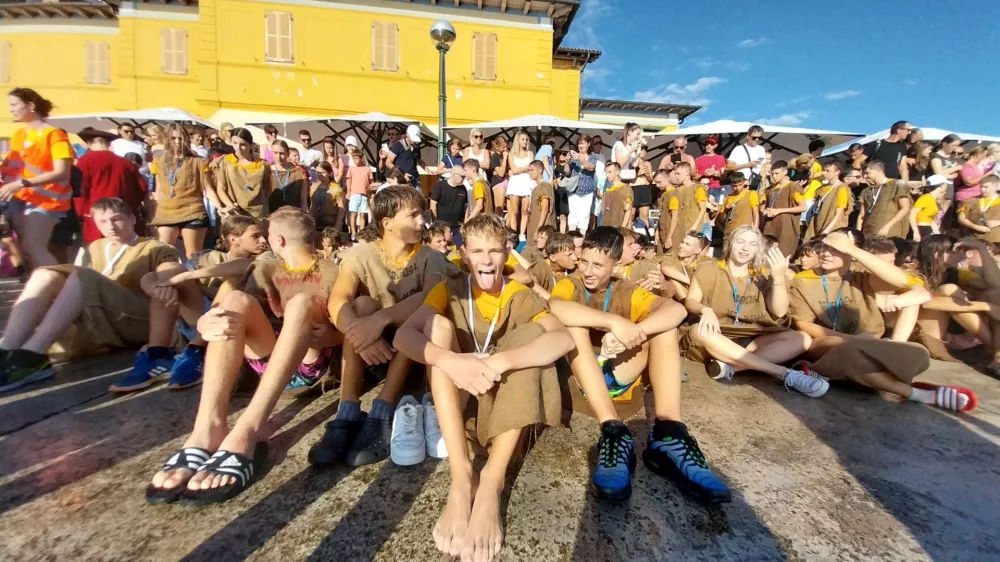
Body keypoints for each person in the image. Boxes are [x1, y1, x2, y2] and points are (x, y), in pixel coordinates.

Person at [393, 213, 574, 562]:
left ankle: (492, 480)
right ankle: (461, 479)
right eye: (477, 251)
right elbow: (404, 336)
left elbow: (562, 338)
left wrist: (501, 361)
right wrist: (451, 361)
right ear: (464, 253)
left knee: (530, 336)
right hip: (458, 396)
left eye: (494, 251)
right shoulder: (449, 288)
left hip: (505, 401)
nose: (486, 259)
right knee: (438, 326)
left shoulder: (518, 294)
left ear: (507, 253)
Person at [144, 207, 342, 505]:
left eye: (267, 236)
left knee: (300, 304)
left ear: (278, 240)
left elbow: (347, 328)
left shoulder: (332, 270)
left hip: (311, 363)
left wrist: (330, 336)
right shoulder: (266, 267)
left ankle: (249, 429)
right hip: (270, 359)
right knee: (235, 299)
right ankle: (208, 428)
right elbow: (234, 277)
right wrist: (204, 320)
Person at [547, 226, 731, 504]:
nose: (587, 271)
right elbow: (555, 306)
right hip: (581, 382)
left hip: (617, 374)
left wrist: (634, 333)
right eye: (584, 261)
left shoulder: (625, 289)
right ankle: (613, 430)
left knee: (664, 326)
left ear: (617, 263)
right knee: (572, 324)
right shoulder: (570, 284)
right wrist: (614, 322)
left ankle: (669, 433)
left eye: (598, 265)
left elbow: (677, 310)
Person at [310, 187, 456, 468]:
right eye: (412, 215)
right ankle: (348, 409)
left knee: (419, 316)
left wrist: (380, 321)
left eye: (421, 215)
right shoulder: (361, 254)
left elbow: (430, 294)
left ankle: (383, 407)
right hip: (372, 353)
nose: (421, 222)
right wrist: (361, 333)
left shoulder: (429, 257)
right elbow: (338, 300)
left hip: (413, 352)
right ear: (387, 222)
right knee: (361, 305)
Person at [0, 198, 181, 391]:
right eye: (102, 222)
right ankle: (7, 349)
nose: (111, 226)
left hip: (138, 320)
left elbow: (169, 279)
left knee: (82, 275)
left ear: (132, 219)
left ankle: (32, 356)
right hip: (99, 318)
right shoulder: (93, 248)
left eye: (117, 219)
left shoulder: (156, 248)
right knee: (45, 274)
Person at [790, 231, 977, 412]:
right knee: (848, 352)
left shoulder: (860, 277)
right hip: (830, 343)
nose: (825, 254)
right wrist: (857, 341)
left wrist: (854, 250)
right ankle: (917, 394)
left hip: (870, 347)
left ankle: (845, 375)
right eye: (824, 248)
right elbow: (803, 325)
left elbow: (900, 281)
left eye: (836, 249)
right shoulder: (803, 281)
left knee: (919, 353)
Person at [110, 215, 269, 393]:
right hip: (199, 317)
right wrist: (156, 288)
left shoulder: (265, 259)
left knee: (231, 284)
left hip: (232, 323)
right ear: (234, 239)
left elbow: (245, 266)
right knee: (169, 268)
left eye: (264, 236)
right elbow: (152, 276)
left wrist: (187, 277)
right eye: (256, 236)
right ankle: (158, 354)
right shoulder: (209, 257)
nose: (263, 240)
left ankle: (196, 351)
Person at [682, 225, 826, 396]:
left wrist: (778, 277)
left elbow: (779, 312)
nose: (745, 248)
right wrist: (706, 310)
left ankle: (732, 368)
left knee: (801, 338)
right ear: (730, 244)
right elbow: (691, 301)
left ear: (758, 249)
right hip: (716, 334)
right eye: (740, 242)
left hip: (752, 338)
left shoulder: (762, 275)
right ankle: (783, 373)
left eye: (752, 244)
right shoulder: (709, 268)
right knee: (700, 330)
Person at [0, 88, 74, 269]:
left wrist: (21, 183)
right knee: (29, 248)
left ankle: (61, 289)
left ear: (31, 106)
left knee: (34, 246)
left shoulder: (55, 135)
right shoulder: (19, 134)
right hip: (18, 199)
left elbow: (62, 172)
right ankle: (43, 290)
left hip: (46, 201)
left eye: (14, 104)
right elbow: (12, 167)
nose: (10, 109)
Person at [74, 127, 149, 244]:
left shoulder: (84, 161)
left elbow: (79, 190)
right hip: (124, 217)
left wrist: (81, 213)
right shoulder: (126, 163)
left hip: (97, 217)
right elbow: (142, 190)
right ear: (109, 144)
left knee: (100, 252)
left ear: (89, 144)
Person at [147, 124, 210, 260]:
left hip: (192, 210)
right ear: (167, 139)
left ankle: (197, 280)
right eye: (173, 138)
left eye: (180, 138)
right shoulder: (158, 160)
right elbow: (157, 190)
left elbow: (208, 189)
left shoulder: (198, 161)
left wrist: (222, 207)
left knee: (193, 257)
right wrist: (153, 215)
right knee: (163, 254)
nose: (177, 142)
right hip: (166, 212)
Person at [859, 236, 929, 343]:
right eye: (882, 263)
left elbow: (923, 294)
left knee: (911, 302)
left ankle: (896, 344)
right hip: (858, 316)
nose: (889, 267)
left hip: (885, 316)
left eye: (891, 262)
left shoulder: (897, 274)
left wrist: (891, 301)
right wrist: (876, 298)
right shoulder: (857, 273)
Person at [213, 127, 272, 221]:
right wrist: (230, 206)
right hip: (234, 214)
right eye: (235, 143)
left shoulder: (262, 165)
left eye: (243, 144)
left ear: (251, 145)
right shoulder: (225, 162)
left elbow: (268, 190)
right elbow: (221, 189)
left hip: (258, 215)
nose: (238, 148)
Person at [656, 164, 707, 256]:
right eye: (675, 174)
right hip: (681, 228)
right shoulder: (678, 190)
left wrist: (695, 226)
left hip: (693, 227)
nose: (676, 176)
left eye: (678, 174)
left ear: (687, 173)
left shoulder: (697, 188)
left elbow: (703, 209)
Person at [761, 160, 805, 256]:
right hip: (770, 227)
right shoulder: (769, 190)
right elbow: (764, 206)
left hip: (786, 227)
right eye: (772, 174)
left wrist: (778, 211)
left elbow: (803, 207)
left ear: (785, 172)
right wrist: (765, 211)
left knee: (783, 255)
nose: (774, 176)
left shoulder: (793, 187)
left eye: (777, 173)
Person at [858, 161, 912, 238]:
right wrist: (857, 233)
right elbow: (862, 215)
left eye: (867, 173)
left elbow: (905, 208)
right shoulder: (866, 191)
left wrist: (887, 226)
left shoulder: (897, 184)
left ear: (878, 171)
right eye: (863, 174)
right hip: (868, 234)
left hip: (890, 232)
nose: (865, 176)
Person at [804, 161, 852, 240]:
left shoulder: (841, 188)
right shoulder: (822, 188)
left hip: (830, 228)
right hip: (816, 225)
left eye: (828, 171)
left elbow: (838, 214)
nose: (824, 173)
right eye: (824, 170)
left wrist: (825, 232)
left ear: (837, 172)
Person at [659, 231, 712, 301]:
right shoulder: (673, 256)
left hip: (697, 300)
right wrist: (692, 282)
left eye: (687, 244)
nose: (681, 246)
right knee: (672, 279)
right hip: (676, 301)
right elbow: (665, 268)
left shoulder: (701, 262)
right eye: (682, 242)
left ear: (697, 250)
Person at [505, 131, 536, 239]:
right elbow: (513, 169)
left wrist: (519, 170)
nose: (525, 141)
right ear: (518, 140)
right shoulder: (511, 154)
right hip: (515, 183)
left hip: (527, 183)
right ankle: (514, 233)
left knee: (525, 210)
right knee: (514, 211)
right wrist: (525, 168)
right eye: (523, 139)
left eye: (526, 139)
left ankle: (522, 234)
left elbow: (532, 168)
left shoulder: (530, 153)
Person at [567, 135, 600, 234]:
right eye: (579, 143)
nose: (580, 146)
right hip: (574, 189)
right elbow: (567, 172)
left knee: (585, 215)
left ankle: (581, 237)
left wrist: (580, 159)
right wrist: (567, 163)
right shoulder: (573, 157)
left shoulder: (594, 156)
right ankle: (572, 236)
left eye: (583, 143)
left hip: (587, 190)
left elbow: (591, 167)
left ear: (589, 144)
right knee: (573, 214)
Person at [430, 164, 469, 246]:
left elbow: (466, 207)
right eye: (461, 176)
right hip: (442, 227)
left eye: (464, 177)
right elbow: (433, 204)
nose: (463, 179)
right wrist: (435, 223)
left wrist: (465, 223)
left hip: (457, 227)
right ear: (453, 174)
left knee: (459, 250)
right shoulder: (440, 186)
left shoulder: (463, 189)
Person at [267, 140, 309, 214]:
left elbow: (303, 200)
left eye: (282, 153)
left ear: (288, 154)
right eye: (275, 153)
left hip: (293, 215)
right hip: (273, 215)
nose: (279, 157)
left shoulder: (298, 172)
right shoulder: (267, 172)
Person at [957, 175, 1000, 242]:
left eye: (986, 187)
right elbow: (961, 218)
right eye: (981, 187)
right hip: (973, 239)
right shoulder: (970, 201)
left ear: (996, 187)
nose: (982, 189)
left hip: (996, 241)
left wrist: (998, 222)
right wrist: (976, 227)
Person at [345, 150, 375, 242]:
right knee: (353, 214)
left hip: (364, 195)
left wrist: (370, 193)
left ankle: (361, 233)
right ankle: (353, 233)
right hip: (354, 194)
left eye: (356, 158)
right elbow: (348, 180)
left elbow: (371, 182)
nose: (355, 160)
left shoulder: (368, 169)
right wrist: (349, 192)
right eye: (353, 158)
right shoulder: (352, 169)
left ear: (361, 158)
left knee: (363, 215)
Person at [910, 175, 950, 241]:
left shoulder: (932, 199)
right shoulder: (926, 198)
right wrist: (916, 232)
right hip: (921, 229)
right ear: (941, 186)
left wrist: (937, 233)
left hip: (928, 228)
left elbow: (930, 219)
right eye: (945, 184)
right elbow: (912, 214)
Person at [726, 125, 767, 191]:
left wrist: (763, 184)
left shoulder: (761, 149)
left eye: (760, 138)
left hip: (755, 183)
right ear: (748, 136)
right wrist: (747, 165)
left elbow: (762, 168)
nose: (757, 139)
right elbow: (728, 167)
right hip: (741, 184)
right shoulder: (738, 149)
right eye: (754, 137)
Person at [525, 161, 555, 243]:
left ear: (540, 170)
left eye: (532, 170)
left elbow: (545, 208)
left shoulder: (544, 186)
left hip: (543, 229)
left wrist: (538, 229)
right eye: (529, 170)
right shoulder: (536, 187)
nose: (530, 172)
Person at [310, 161, 345, 230]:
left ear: (330, 174)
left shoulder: (336, 189)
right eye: (318, 172)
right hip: (316, 223)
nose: (320, 175)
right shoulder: (313, 187)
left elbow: (341, 209)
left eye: (323, 173)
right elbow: (312, 206)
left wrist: (338, 225)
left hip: (331, 224)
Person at [599, 162, 633, 229]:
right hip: (606, 228)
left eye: (610, 172)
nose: (607, 175)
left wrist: (622, 228)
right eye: (606, 172)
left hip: (618, 229)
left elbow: (628, 210)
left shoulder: (626, 188)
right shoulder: (608, 190)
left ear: (617, 172)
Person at [632, 145, 655, 229]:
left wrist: (648, 175)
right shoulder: (632, 163)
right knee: (631, 214)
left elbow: (651, 180)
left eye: (645, 149)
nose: (644, 151)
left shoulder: (647, 163)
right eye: (642, 149)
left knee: (644, 215)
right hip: (633, 187)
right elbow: (627, 177)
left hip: (644, 188)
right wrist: (639, 173)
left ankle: (645, 237)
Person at [488, 137, 508, 213]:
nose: (505, 149)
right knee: (500, 208)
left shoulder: (507, 154)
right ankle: (498, 224)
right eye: (503, 147)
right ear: (496, 147)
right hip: (499, 182)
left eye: (506, 146)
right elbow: (501, 173)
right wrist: (505, 158)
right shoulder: (494, 157)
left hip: (507, 181)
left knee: (512, 210)